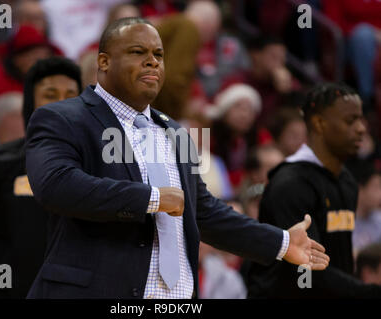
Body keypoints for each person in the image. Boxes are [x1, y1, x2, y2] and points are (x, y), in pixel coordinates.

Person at [25, 17, 329, 299]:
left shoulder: (174, 131)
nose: (152, 61)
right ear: (103, 62)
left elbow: (203, 212)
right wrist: (151, 199)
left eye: (159, 54)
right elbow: (55, 184)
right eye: (137, 51)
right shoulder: (63, 118)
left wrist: (281, 243)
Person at [0, 57, 82, 299]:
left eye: (71, 94)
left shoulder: (97, 167)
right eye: (50, 94)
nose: (62, 104)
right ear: (31, 104)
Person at [246, 83, 381, 298]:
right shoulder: (290, 184)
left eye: (361, 119)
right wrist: (367, 292)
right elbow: (304, 273)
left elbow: (340, 261)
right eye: (350, 120)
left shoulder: (346, 180)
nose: (362, 128)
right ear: (319, 124)